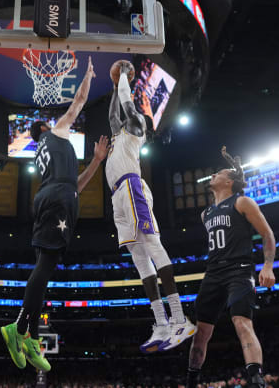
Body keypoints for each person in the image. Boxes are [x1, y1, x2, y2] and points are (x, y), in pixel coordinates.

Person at [0, 57, 108, 373]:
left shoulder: (41, 152)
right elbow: (78, 103)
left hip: (55, 196)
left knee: (43, 269)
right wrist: (87, 75)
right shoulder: (56, 132)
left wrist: (97, 162)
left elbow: (77, 184)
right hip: (60, 199)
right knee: (46, 265)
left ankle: (33, 337)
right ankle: (18, 328)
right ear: (45, 127)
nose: (63, 121)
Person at [105, 61, 195, 353]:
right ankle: (162, 323)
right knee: (139, 258)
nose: (127, 116)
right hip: (118, 195)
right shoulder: (119, 135)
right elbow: (112, 114)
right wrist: (112, 85)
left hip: (132, 187)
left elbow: (127, 104)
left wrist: (123, 80)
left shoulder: (136, 127)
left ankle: (180, 319)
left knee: (153, 247)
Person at [186, 147, 277, 388]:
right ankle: (191, 381)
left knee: (242, 322)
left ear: (229, 181)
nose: (213, 175)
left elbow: (267, 235)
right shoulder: (205, 214)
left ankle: (257, 380)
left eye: (218, 173)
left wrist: (268, 266)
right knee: (201, 334)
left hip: (240, 269)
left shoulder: (243, 202)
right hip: (213, 273)